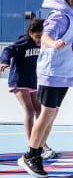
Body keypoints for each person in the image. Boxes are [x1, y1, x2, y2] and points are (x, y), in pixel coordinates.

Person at [17, 0, 73, 177]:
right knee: (46, 114)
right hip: (52, 72)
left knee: (52, 114)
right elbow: (45, 35)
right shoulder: (59, 16)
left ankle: (35, 152)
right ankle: (31, 155)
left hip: (65, 73)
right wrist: (53, 43)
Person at [0, 19, 47, 155]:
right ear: (31, 33)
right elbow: (9, 49)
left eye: (42, 36)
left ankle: (40, 142)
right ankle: (32, 145)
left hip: (31, 80)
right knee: (30, 110)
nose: (39, 40)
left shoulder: (43, 44)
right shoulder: (25, 41)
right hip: (19, 80)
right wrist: (4, 61)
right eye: (37, 37)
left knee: (39, 109)